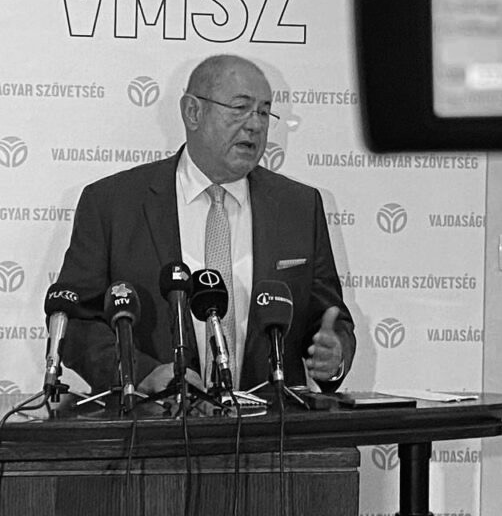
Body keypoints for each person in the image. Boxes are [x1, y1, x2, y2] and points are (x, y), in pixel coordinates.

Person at [57, 54, 355, 396]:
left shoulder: (299, 206)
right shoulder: (113, 203)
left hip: (272, 422)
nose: (255, 125)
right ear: (193, 112)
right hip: (153, 419)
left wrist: (334, 355)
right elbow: (75, 320)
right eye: (240, 108)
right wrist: (139, 374)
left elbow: (330, 318)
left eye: (263, 112)